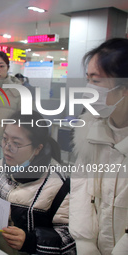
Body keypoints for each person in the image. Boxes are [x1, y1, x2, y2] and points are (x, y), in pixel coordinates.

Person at [0, 111, 76, 254]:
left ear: (38, 148)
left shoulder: (59, 185)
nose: (7, 147)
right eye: (5, 139)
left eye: (16, 143)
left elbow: (70, 238)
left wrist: (31, 241)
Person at [70, 38, 128, 255]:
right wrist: (84, 243)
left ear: (124, 88)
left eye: (96, 81)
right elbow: (80, 190)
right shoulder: (89, 133)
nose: (88, 89)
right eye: (88, 80)